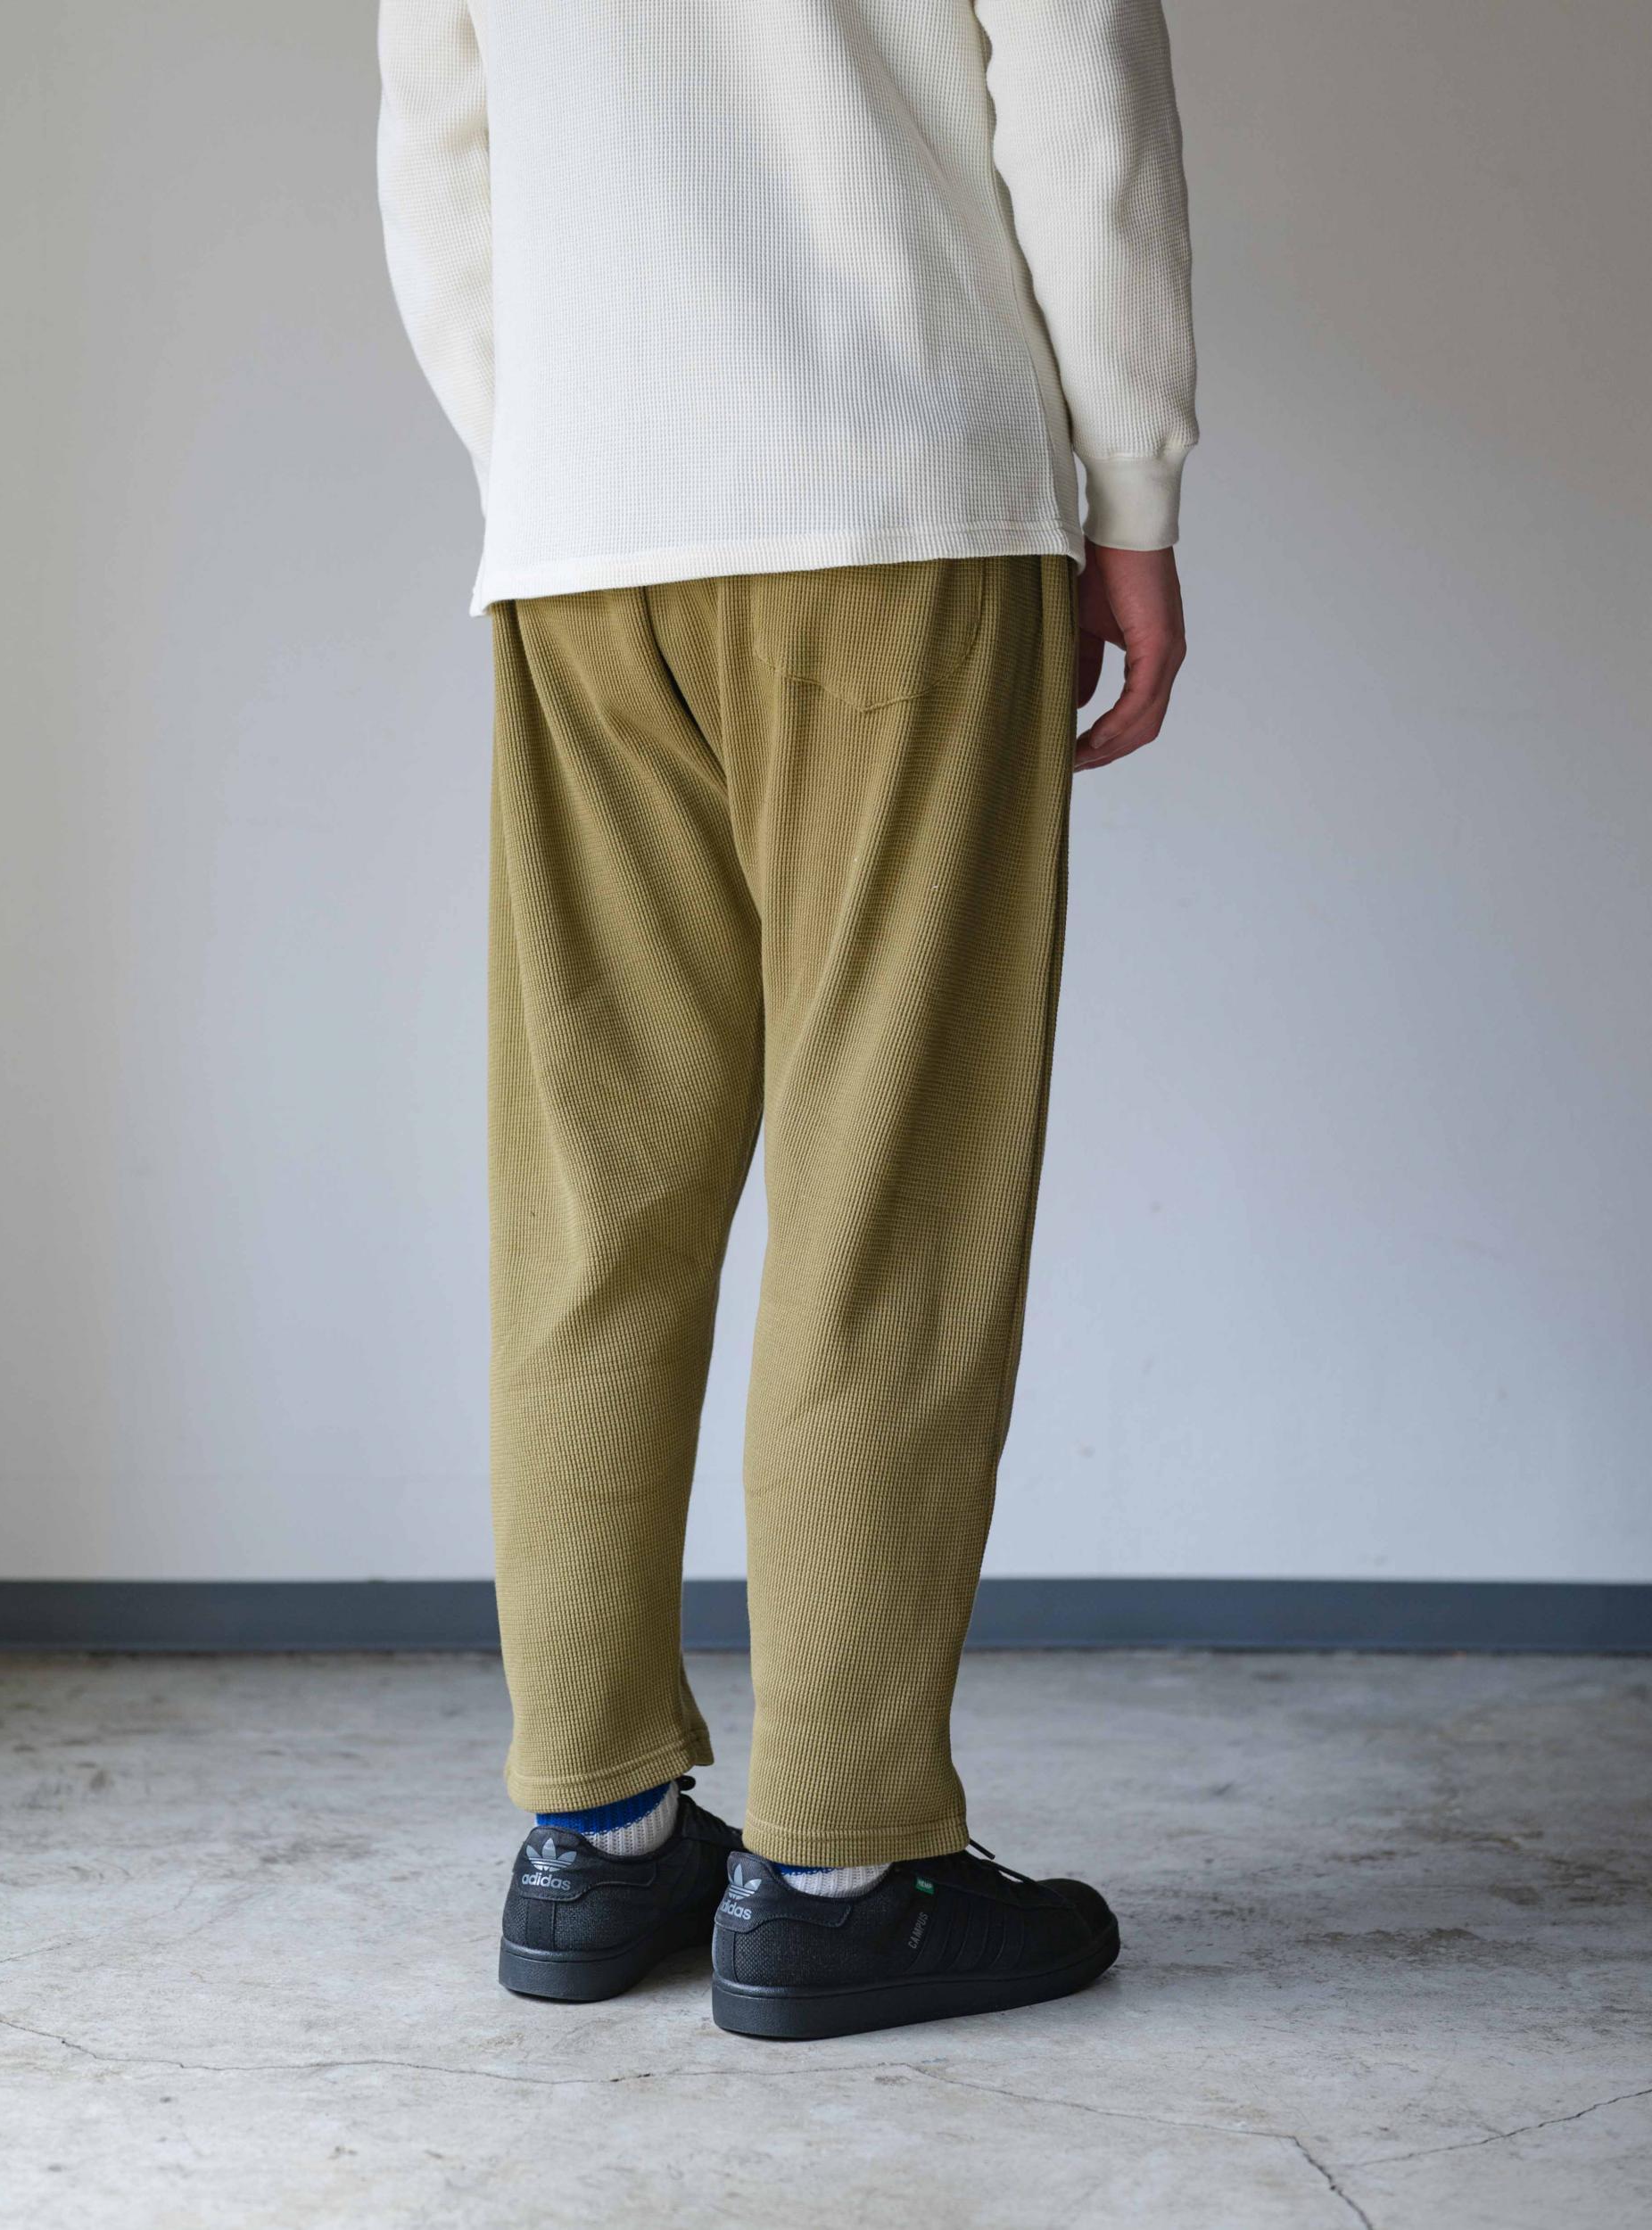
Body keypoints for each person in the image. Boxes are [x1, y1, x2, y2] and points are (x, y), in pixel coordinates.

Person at [376, 0, 1195, 2041]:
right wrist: (1131, 490)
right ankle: (840, 1863)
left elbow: (436, 143)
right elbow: (1078, 95)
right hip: (896, 492)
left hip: (583, 537)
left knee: (592, 1191)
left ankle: (596, 1832)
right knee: (890, 1186)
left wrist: (557, 458)